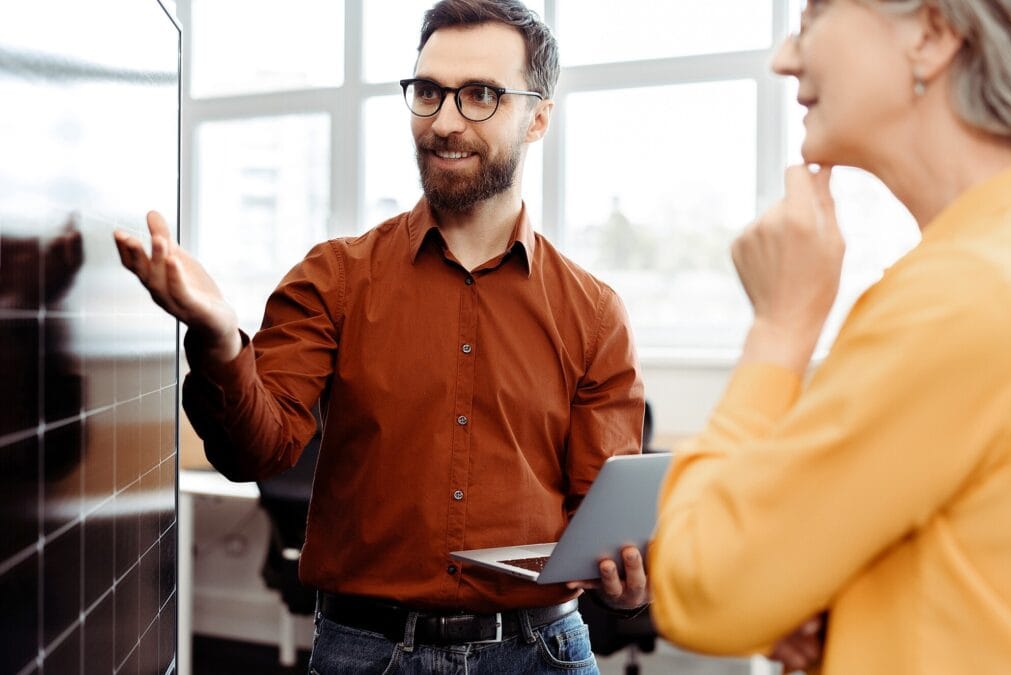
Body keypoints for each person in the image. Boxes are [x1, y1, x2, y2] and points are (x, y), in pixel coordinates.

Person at [114, 1, 648, 673]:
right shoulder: (334, 279)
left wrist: (626, 575)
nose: (445, 121)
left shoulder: (594, 313)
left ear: (538, 116)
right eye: (428, 92)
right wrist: (220, 337)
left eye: (481, 95)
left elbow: (601, 519)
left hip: (539, 650)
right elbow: (257, 448)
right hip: (368, 652)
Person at [648, 0, 1011, 673]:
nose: (783, 58)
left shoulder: (961, 296)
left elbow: (700, 584)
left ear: (932, 35)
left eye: (815, 17)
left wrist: (779, 328)